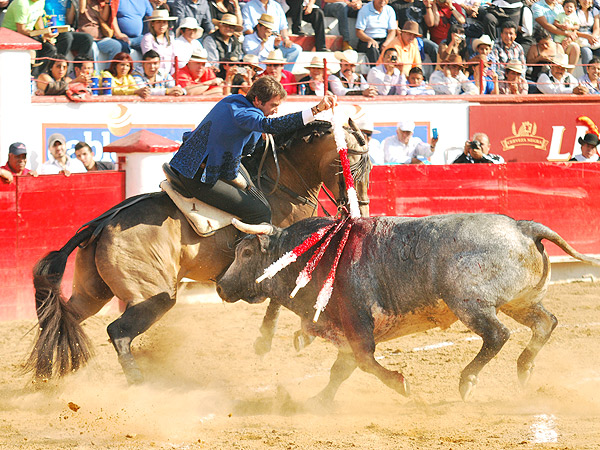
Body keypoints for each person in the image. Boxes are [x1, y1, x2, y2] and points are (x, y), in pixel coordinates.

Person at [167, 76, 338, 225]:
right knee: (261, 212)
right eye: (273, 105)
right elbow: (272, 125)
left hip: (199, 166)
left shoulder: (234, 100)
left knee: (254, 189)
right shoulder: (246, 115)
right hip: (198, 177)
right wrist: (316, 110)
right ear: (257, 100)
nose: (276, 110)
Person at [2, 0, 59, 76]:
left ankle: (36, 75)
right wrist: (39, 33)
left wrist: (44, 34)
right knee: (33, 50)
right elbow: (21, 30)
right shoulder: (21, 3)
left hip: (30, 34)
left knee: (50, 49)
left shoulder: (41, 1)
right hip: (12, 34)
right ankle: (30, 75)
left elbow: (38, 18)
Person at [241, 0, 302, 66]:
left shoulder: (276, 5)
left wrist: (285, 39)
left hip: (275, 40)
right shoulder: (249, 6)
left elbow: (283, 26)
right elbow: (247, 29)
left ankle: (282, 73)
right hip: (257, 39)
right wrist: (262, 36)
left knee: (295, 49)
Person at [75, 0, 129, 64]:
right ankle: (95, 72)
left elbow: (104, 18)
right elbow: (81, 10)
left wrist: (106, 2)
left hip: (99, 38)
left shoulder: (96, 4)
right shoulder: (81, 2)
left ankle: (109, 71)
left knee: (116, 46)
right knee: (93, 48)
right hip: (87, 39)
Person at [388, 0, 439, 68]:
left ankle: (438, 72)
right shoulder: (395, 5)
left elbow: (430, 23)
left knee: (434, 47)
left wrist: (427, 6)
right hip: (404, 38)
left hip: (420, 38)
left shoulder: (421, 4)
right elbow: (395, 26)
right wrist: (404, 37)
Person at [531, 0, 580, 69]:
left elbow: (574, 24)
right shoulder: (537, 6)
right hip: (545, 43)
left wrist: (569, 38)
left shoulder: (560, 7)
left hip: (561, 40)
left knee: (575, 47)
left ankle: (567, 76)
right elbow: (546, 25)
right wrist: (566, 33)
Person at [203, 13, 244, 77]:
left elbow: (239, 58)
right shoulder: (210, 39)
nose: (228, 28)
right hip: (216, 74)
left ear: (234, 29)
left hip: (234, 73)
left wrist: (240, 70)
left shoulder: (236, 41)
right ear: (220, 26)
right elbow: (213, 63)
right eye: (225, 25)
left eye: (231, 27)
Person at [141, 9, 178, 75]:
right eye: (158, 22)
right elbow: (149, 59)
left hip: (169, 75)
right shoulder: (148, 38)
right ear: (153, 24)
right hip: (154, 74)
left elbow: (174, 58)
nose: (161, 25)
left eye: (164, 22)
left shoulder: (171, 39)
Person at [576, 0, 600, 66]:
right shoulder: (575, 10)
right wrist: (587, 36)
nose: (586, 1)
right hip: (579, 37)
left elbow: (597, 28)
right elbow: (572, 30)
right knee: (587, 52)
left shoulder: (594, 10)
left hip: (592, 37)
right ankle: (588, 75)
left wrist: (593, 37)